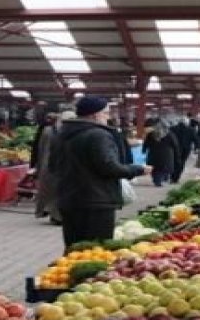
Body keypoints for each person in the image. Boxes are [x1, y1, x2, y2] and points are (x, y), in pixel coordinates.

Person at [50, 97, 143, 249]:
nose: (109, 117)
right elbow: (109, 167)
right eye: (106, 113)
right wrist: (138, 169)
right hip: (96, 202)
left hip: (68, 200)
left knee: (74, 248)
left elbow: (52, 166)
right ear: (95, 115)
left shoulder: (61, 135)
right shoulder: (98, 135)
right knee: (97, 249)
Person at [32, 111, 71, 224]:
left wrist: (37, 165)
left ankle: (54, 215)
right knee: (54, 191)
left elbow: (39, 148)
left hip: (48, 164)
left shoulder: (48, 131)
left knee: (52, 191)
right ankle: (56, 216)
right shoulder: (54, 132)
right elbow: (40, 148)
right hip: (53, 165)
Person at [142, 121, 179, 187]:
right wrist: (177, 154)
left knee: (154, 168)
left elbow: (146, 144)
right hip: (166, 155)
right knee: (164, 169)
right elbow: (175, 145)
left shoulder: (151, 134)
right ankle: (159, 180)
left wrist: (144, 150)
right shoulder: (169, 134)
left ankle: (156, 179)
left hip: (153, 155)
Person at [170, 119, 196, 183]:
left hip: (175, 148)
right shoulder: (191, 130)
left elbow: (168, 137)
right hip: (186, 149)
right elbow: (195, 139)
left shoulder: (173, 128)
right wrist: (197, 147)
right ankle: (176, 178)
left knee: (174, 162)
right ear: (187, 123)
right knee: (182, 163)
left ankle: (172, 176)